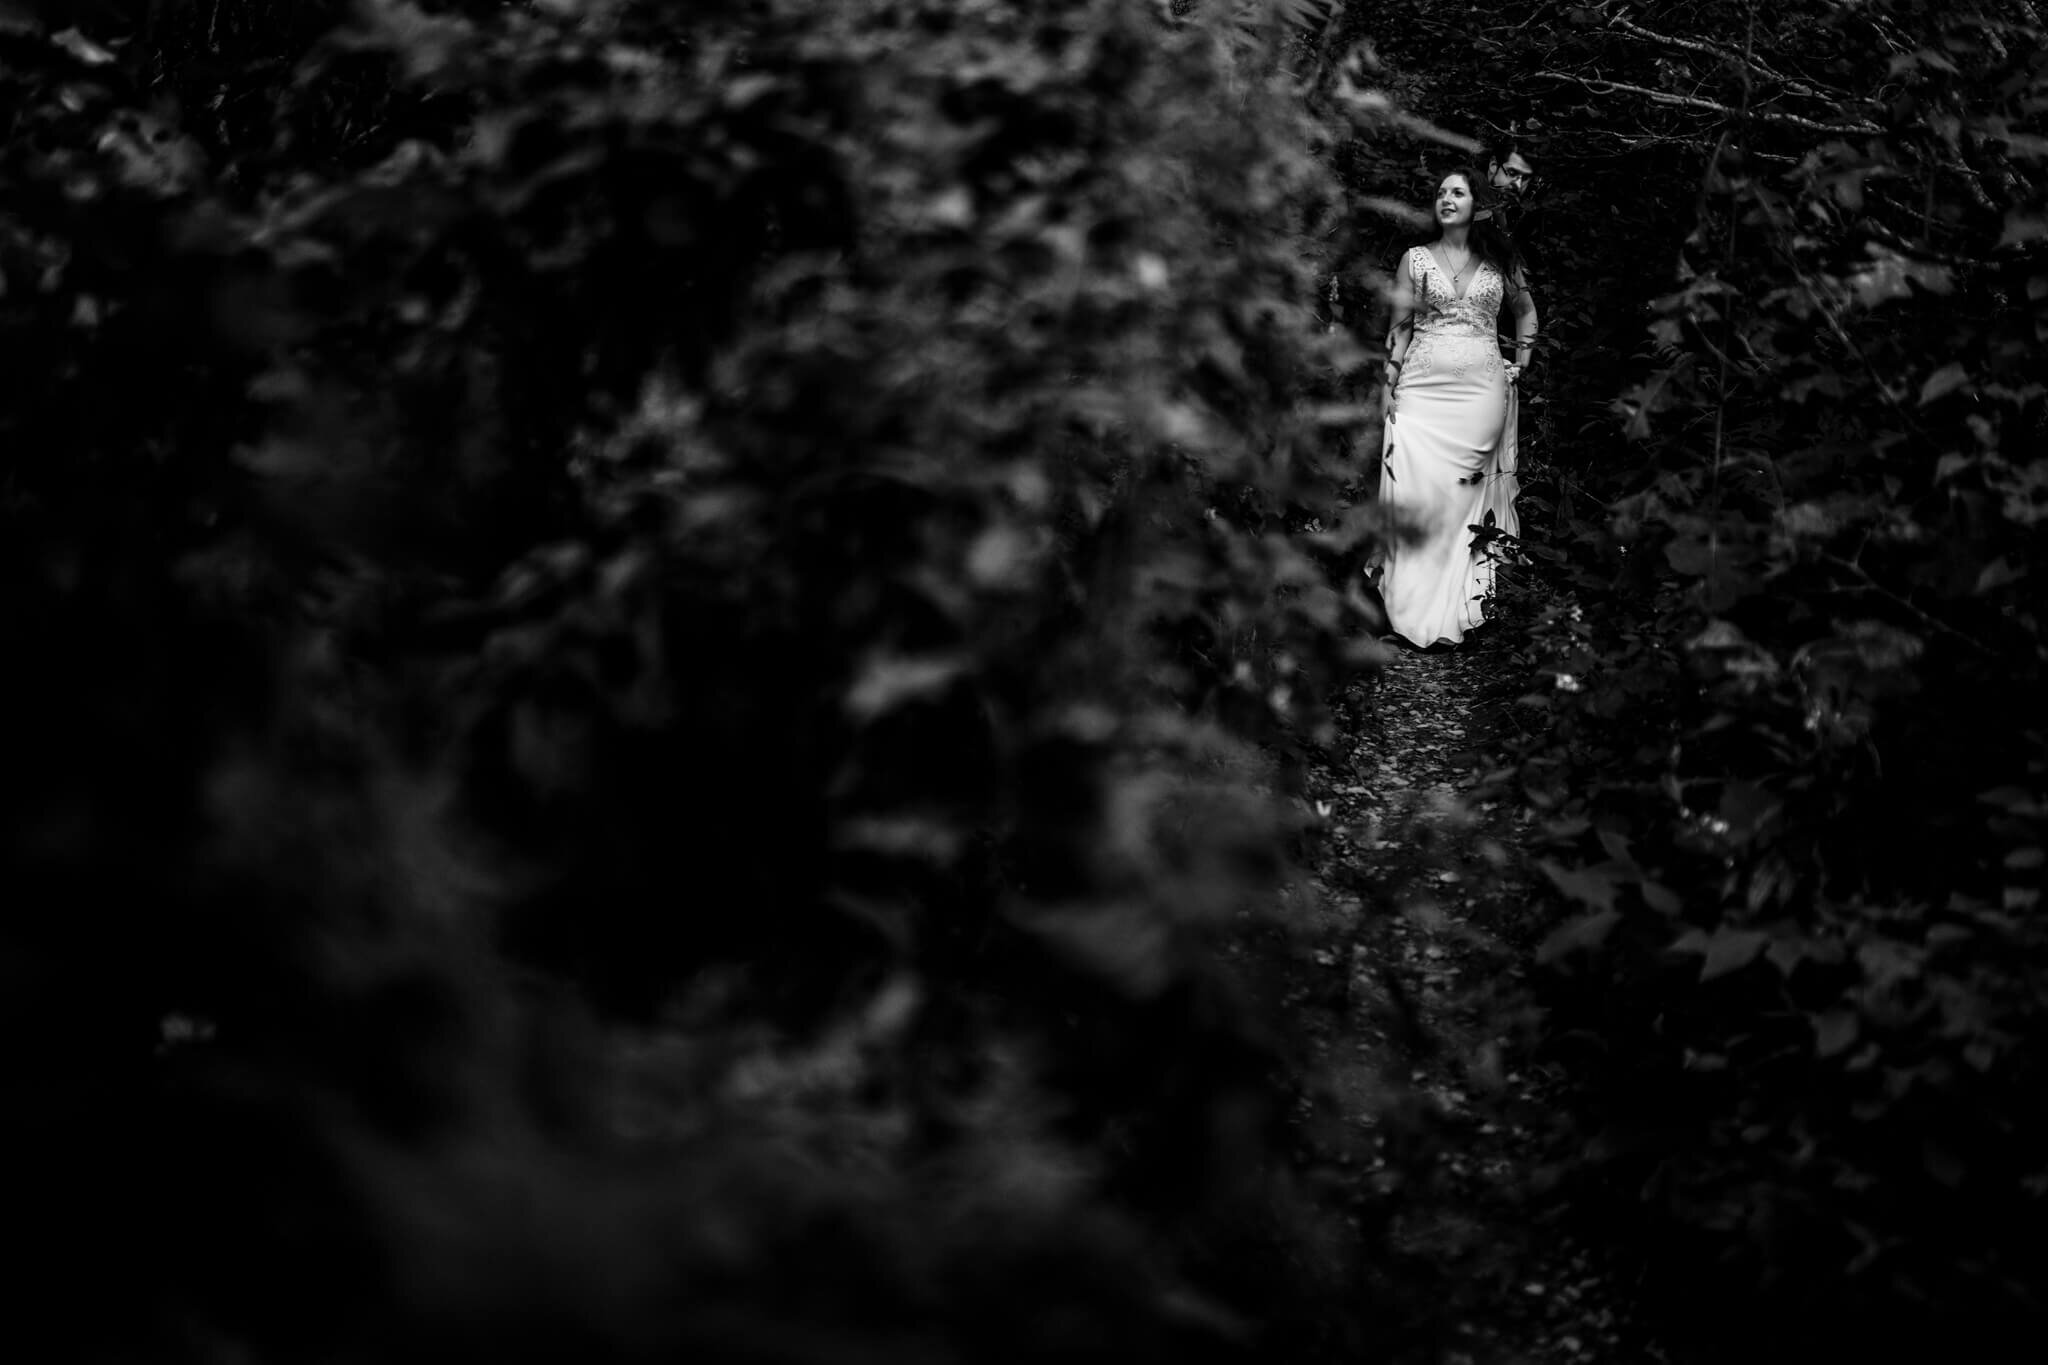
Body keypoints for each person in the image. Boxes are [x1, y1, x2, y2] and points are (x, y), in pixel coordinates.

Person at [1370, 167, 1538, 647]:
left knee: (1465, 490)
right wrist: (1388, 382)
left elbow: (1525, 312)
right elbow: (1399, 327)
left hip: (1481, 394)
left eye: (1457, 192)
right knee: (1419, 489)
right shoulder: (1414, 260)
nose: (1446, 198)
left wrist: (1520, 364)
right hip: (1422, 391)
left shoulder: (1500, 259)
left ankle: (1464, 607)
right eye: (1441, 192)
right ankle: (1411, 608)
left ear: (1475, 204)